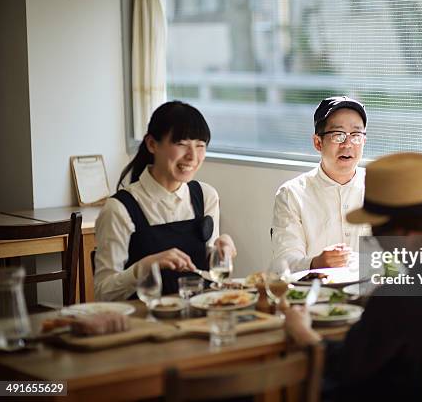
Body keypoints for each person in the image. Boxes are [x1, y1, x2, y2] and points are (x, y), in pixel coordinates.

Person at [283, 152, 422, 401]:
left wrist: (303, 333)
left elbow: (345, 367)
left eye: (377, 235)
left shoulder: (402, 294)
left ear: (405, 233)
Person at [94, 101, 236, 301]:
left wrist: (222, 251)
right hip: (143, 321)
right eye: (181, 144)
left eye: (200, 146)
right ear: (152, 144)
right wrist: (147, 266)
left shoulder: (206, 196)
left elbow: (210, 268)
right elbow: (103, 292)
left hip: (198, 316)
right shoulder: (119, 208)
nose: (192, 156)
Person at [271, 96, 370, 272]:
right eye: (338, 135)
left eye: (355, 135)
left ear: (364, 141)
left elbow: (398, 259)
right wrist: (315, 263)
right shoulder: (291, 194)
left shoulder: (382, 190)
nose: (347, 144)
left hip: (371, 294)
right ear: (318, 142)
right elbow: (284, 263)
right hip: (314, 294)